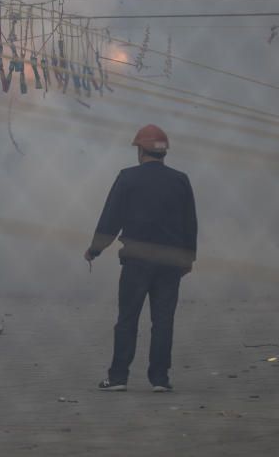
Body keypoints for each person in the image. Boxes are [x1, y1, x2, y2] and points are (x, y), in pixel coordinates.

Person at [84, 124, 198, 392]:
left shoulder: (127, 178)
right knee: (163, 320)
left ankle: (119, 377)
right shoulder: (180, 180)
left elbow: (111, 218)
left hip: (137, 261)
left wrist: (95, 249)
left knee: (128, 319)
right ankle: (160, 379)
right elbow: (189, 223)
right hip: (170, 263)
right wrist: (188, 259)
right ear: (164, 152)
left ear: (140, 150)